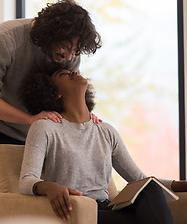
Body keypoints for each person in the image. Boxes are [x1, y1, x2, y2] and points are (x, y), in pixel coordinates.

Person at [19, 69, 187, 224]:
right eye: (62, 74)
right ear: (56, 93)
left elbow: (139, 180)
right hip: (78, 210)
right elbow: (26, 181)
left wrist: (182, 184)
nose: (72, 71)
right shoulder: (45, 127)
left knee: (149, 188)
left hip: (107, 207)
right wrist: (49, 187)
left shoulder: (106, 130)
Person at [0, 0, 102, 192]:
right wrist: (30, 119)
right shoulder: (5, 38)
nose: (70, 57)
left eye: (76, 50)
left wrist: (84, 118)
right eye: (66, 47)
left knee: (31, 211)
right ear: (51, 33)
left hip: (36, 138)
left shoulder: (70, 53)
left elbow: (66, 99)